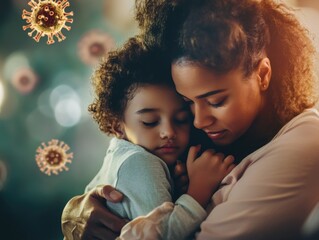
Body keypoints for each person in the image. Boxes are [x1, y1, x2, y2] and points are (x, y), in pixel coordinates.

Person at [61, 0, 319, 239]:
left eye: (216, 101)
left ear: (262, 74)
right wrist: (77, 210)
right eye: (187, 103)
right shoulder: (190, 138)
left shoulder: (305, 142)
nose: (198, 121)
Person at [63, 36, 235, 240]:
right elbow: (159, 236)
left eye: (181, 119)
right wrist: (198, 191)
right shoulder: (140, 162)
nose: (168, 132)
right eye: (150, 121)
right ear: (116, 125)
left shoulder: (118, 158)